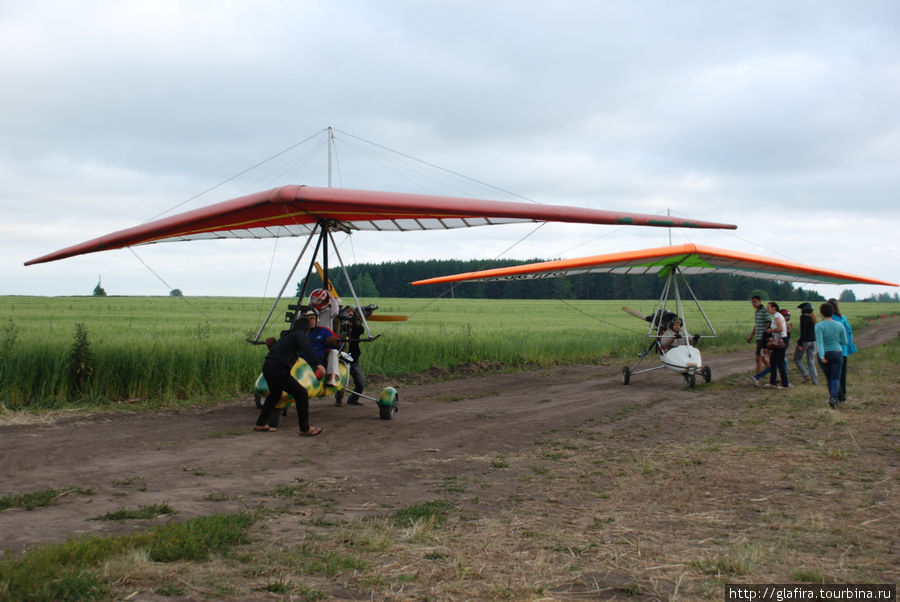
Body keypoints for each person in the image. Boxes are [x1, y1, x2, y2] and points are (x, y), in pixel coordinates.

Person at [255, 306, 325, 436]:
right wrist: (318, 365)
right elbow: (307, 348)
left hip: (268, 366)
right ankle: (305, 429)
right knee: (301, 394)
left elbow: (277, 350)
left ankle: (260, 423)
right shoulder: (301, 334)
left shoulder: (288, 335)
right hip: (278, 369)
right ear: (307, 329)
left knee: (275, 394)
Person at [334, 305, 371, 407]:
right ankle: (338, 399)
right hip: (342, 357)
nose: (349, 317)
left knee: (360, 384)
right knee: (341, 379)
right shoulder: (340, 325)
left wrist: (355, 318)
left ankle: (353, 399)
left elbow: (359, 328)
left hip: (353, 357)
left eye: (352, 315)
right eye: (348, 314)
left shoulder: (357, 327)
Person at [815, 302, 848, 409]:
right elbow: (845, 341)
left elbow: (819, 342)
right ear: (832, 312)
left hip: (825, 353)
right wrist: (836, 342)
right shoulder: (839, 325)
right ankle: (834, 397)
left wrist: (821, 355)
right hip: (837, 352)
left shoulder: (818, 326)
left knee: (829, 377)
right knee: (836, 378)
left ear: (821, 313)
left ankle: (832, 397)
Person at [754, 302, 790, 388]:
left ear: (774, 308)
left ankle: (785, 384)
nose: (767, 309)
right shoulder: (777, 316)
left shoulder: (777, 316)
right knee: (773, 361)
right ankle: (772, 382)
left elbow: (780, 329)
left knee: (780, 362)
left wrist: (771, 330)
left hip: (781, 341)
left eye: (769, 307)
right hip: (779, 340)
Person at [828, 298, 856, 403]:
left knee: (834, 375)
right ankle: (843, 396)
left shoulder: (830, 319)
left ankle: (836, 396)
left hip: (833, 349)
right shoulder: (842, 318)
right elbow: (849, 332)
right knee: (842, 374)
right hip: (843, 350)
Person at [306, 307, 342, 386]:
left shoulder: (324, 331)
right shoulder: (298, 333)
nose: (311, 320)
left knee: (334, 352)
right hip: (302, 361)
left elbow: (339, 345)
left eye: (313, 318)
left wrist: (336, 342)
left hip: (318, 362)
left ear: (317, 319)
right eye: (309, 318)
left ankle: (332, 377)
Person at [794, 302, 818, 385]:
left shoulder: (803, 317)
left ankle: (806, 375)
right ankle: (815, 380)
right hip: (813, 341)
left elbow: (803, 332)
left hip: (805, 341)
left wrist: (800, 344)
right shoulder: (813, 318)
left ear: (804, 310)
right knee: (811, 360)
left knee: (797, 359)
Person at [747, 295, 770, 381]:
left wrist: (766, 336)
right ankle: (773, 372)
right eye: (752, 302)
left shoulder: (764, 311)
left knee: (758, 357)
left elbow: (768, 323)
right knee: (762, 358)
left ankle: (757, 377)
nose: (753, 304)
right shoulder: (756, 312)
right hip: (758, 337)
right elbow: (756, 325)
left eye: (755, 302)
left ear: (760, 301)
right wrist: (751, 336)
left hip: (763, 337)